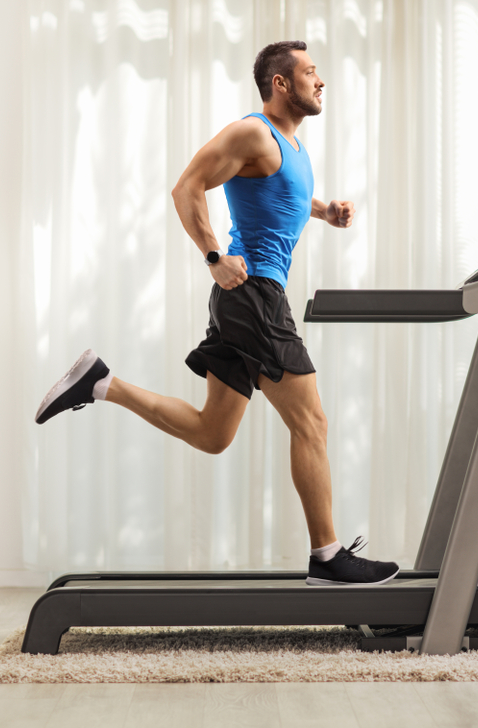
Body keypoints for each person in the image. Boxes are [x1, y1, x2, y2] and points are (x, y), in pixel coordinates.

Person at [34, 40, 398, 586]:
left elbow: (284, 199)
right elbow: (186, 187)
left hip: (247, 299)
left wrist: (326, 211)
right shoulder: (254, 132)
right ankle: (327, 557)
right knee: (313, 422)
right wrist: (212, 257)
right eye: (311, 72)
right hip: (253, 296)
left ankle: (101, 383)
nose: (321, 81)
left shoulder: (292, 147)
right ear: (281, 83)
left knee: (212, 433)